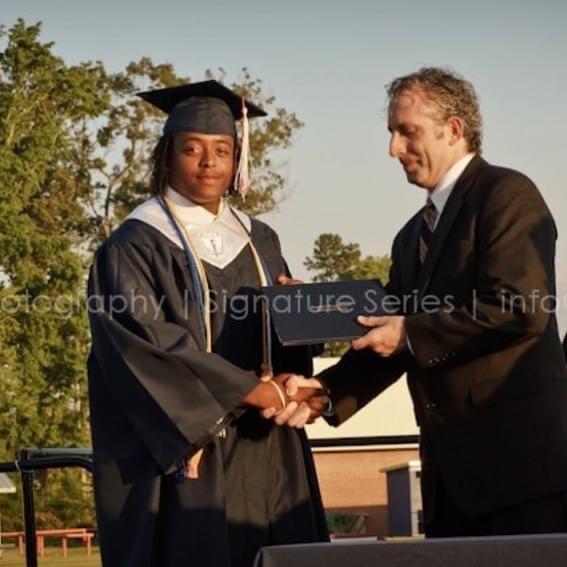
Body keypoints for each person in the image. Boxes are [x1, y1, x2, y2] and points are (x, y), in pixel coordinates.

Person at [278, 67, 567, 537]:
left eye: (406, 131)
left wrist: (409, 331)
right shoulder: (410, 236)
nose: (393, 148)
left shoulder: (507, 194)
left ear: (453, 129)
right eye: (392, 133)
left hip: (520, 477)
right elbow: (389, 339)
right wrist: (325, 391)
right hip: (447, 484)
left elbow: (520, 308)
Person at [87, 80, 328, 567]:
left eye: (222, 150)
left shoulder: (260, 239)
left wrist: (298, 315)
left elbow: (280, 345)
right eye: (192, 149)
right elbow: (144, 345)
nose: (208, 163)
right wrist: (249, 391)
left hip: (266, 445)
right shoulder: (134, 245)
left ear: (238, 159)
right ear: (167, 156)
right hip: (188, 449)